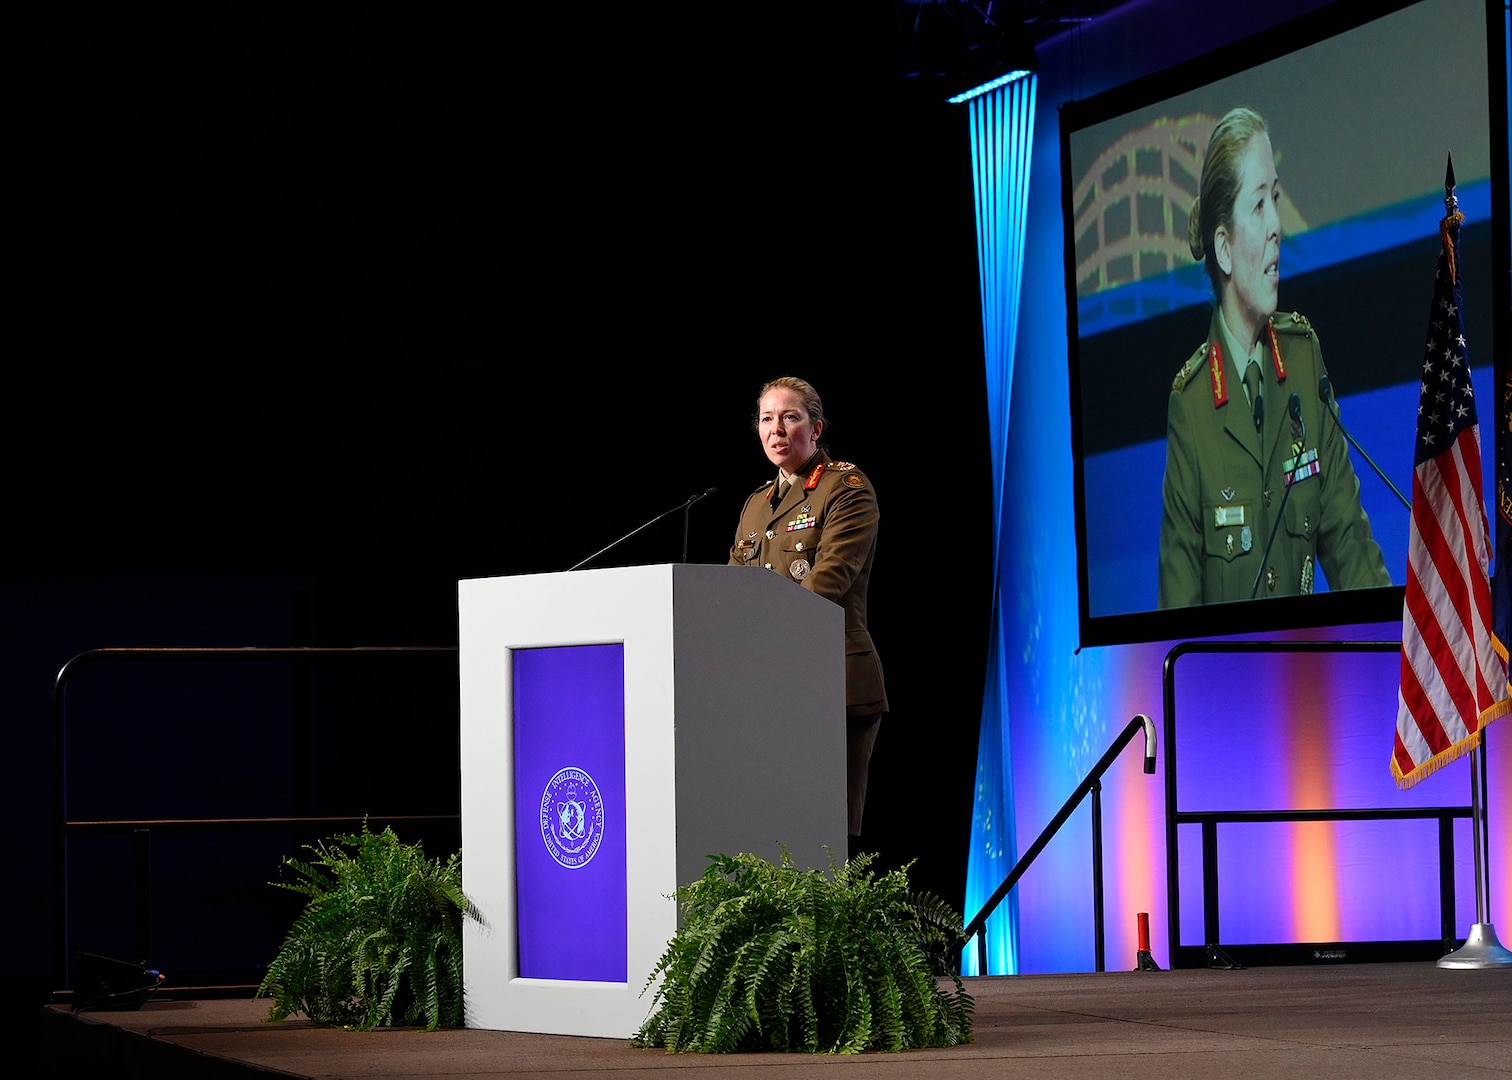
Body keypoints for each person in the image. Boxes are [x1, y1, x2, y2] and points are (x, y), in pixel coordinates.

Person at [1157, 108, 1390, 608]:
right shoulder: (1192, 407)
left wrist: (1404, 642)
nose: (1277, 227)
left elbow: (1349, 543)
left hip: (1309, 679)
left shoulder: (1303, 361)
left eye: (1276, 200)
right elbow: (1177, 611)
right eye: (1259, 205)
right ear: (1223, 247)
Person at [729, 376, 887, 837]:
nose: (776, 429)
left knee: (827, 837)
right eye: (766, 419)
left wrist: (759, 642)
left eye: (789, 417)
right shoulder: (756, 505)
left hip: (832, 683)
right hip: (765, 690)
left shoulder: (846, 488)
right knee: (768, 836)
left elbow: (827, 582)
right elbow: (732, 596)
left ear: (815, 429)